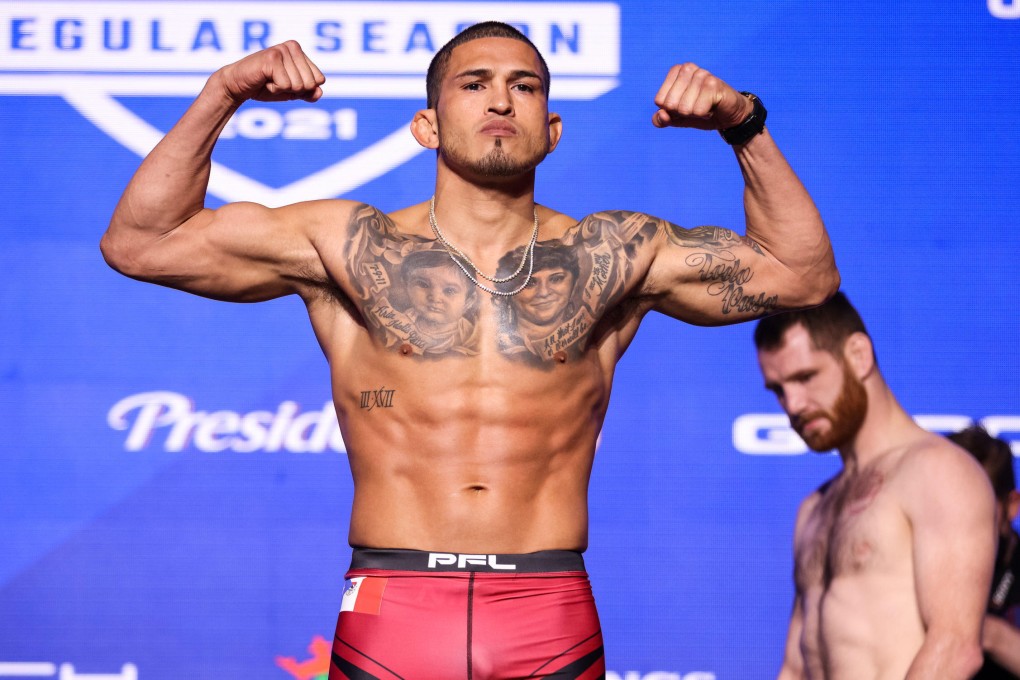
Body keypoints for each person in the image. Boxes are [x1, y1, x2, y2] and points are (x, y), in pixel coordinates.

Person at [102, 21, 839, 679]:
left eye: (524, 86)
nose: (499, 101)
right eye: (475, 83)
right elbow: (140, 243)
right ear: (426, 124)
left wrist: (744, 125)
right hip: (394, 605)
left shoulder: (611, 253)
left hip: (548, 609)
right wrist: (220, 93)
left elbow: (803, 276)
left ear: (552, 130)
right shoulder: (348, 246)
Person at [753, 292, 996, 680]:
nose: (793, 404)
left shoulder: (938, 471)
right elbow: (796, 665)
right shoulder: (814, 508)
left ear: (859, 355)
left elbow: (954, 649)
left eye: (805, 377)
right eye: (778, 390)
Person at [948, 425, 1020, 679]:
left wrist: (992, 635)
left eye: (976, 509)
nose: (957, 523)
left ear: (1012, 505)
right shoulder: (907, 564)